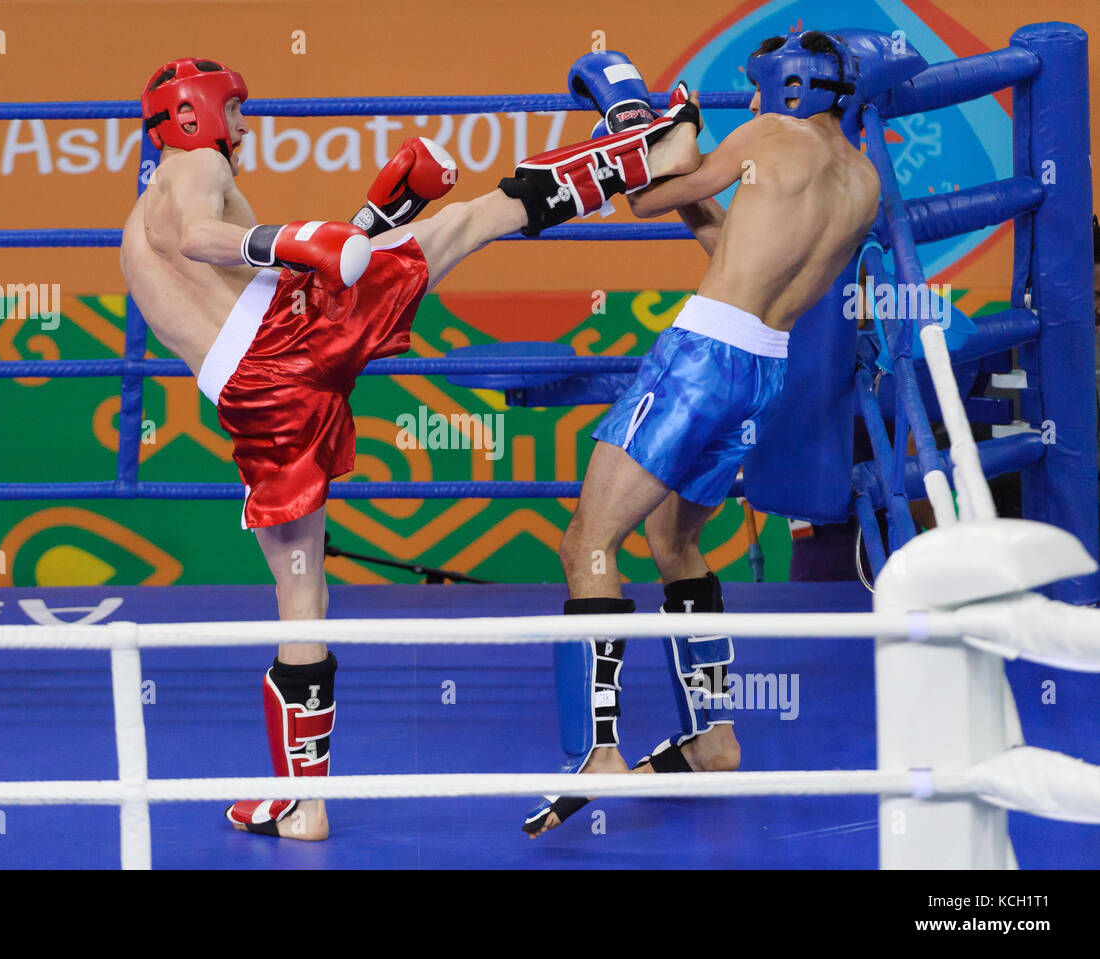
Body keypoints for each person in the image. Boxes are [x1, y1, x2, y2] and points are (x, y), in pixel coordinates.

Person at [120, 57, 703, 840]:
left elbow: (294, 291)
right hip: (288, 348)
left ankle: (303, 803)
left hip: (253, 400)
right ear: (196, 116)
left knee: (301, 596)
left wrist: (369, 221)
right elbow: (208, 242)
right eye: (235, 113)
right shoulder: (192, 168)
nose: (244, 129)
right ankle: (642, 156)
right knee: (468, 222)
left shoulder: (135, 227)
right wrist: (298, 236)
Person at [524, 33, 881, 836]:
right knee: (672, 540)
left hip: (702, 356)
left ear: (784, 89)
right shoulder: (861, 183)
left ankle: (595, 752)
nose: (752, 100)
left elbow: (643, 199)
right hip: (765, 369)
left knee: (586, 542)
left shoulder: (764, 137)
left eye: (759, 87)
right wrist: (672, 152)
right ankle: (713, 736)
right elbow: (733, 246)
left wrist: (640, 128)